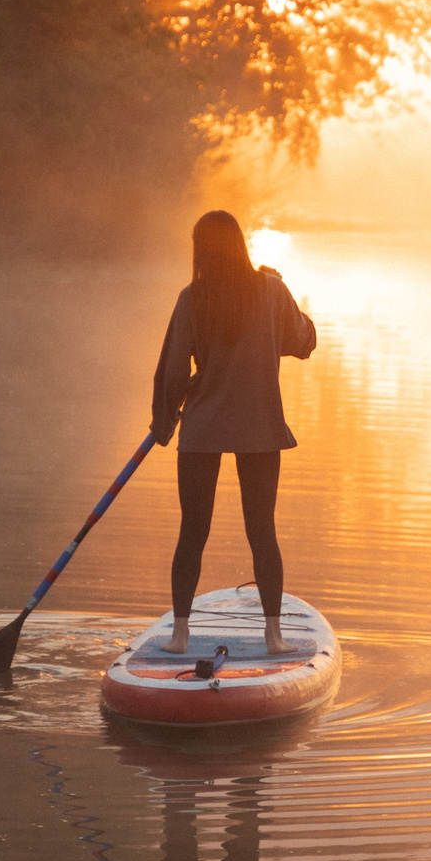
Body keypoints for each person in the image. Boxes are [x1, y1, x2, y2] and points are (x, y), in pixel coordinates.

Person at [150, 211, 317, 656]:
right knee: (262, 529)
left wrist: (163, 421)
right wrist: (283, 297)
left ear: (200, 250)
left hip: (203, 426)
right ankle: (274, 636)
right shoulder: (271, 291)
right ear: (241, 245)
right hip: (259, 425)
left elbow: (172, 371)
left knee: (192, 531)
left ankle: (180, 636)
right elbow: (303, 342)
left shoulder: (192, 298)